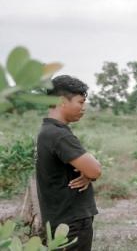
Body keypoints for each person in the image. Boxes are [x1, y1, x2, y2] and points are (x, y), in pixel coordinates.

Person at [36, 75, 102, 251]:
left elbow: (88, 169)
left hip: (58, 219)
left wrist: (87, 173)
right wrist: (90, 172)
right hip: (71, 221)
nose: (84, 108)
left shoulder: (47, 131)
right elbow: (95, 170)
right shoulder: (59, 135)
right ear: (62, 101)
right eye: (80, 102)